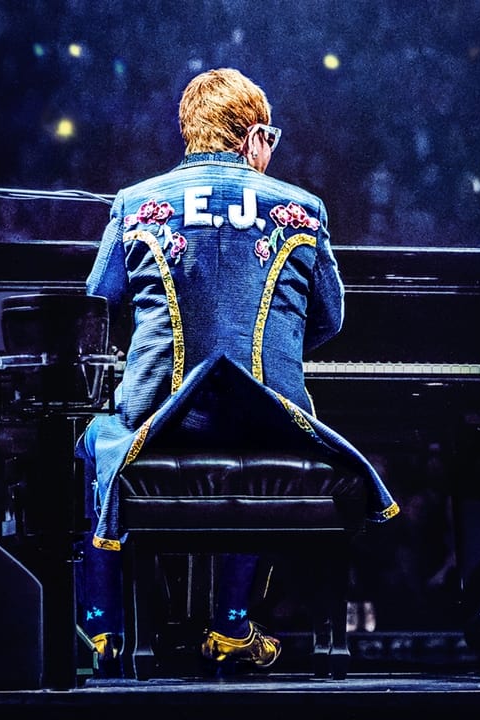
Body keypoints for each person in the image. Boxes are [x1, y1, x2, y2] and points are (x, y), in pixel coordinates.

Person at [75, 68, 399, 676]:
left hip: (161, 425)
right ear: (252, 138)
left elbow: (100, 301)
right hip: (271, 424)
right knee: (248, 429)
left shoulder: (136, 203)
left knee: (93, 441)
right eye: (269, 138)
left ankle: (104, 629)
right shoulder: (302, 208)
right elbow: (328, 321)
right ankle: (228, 626)